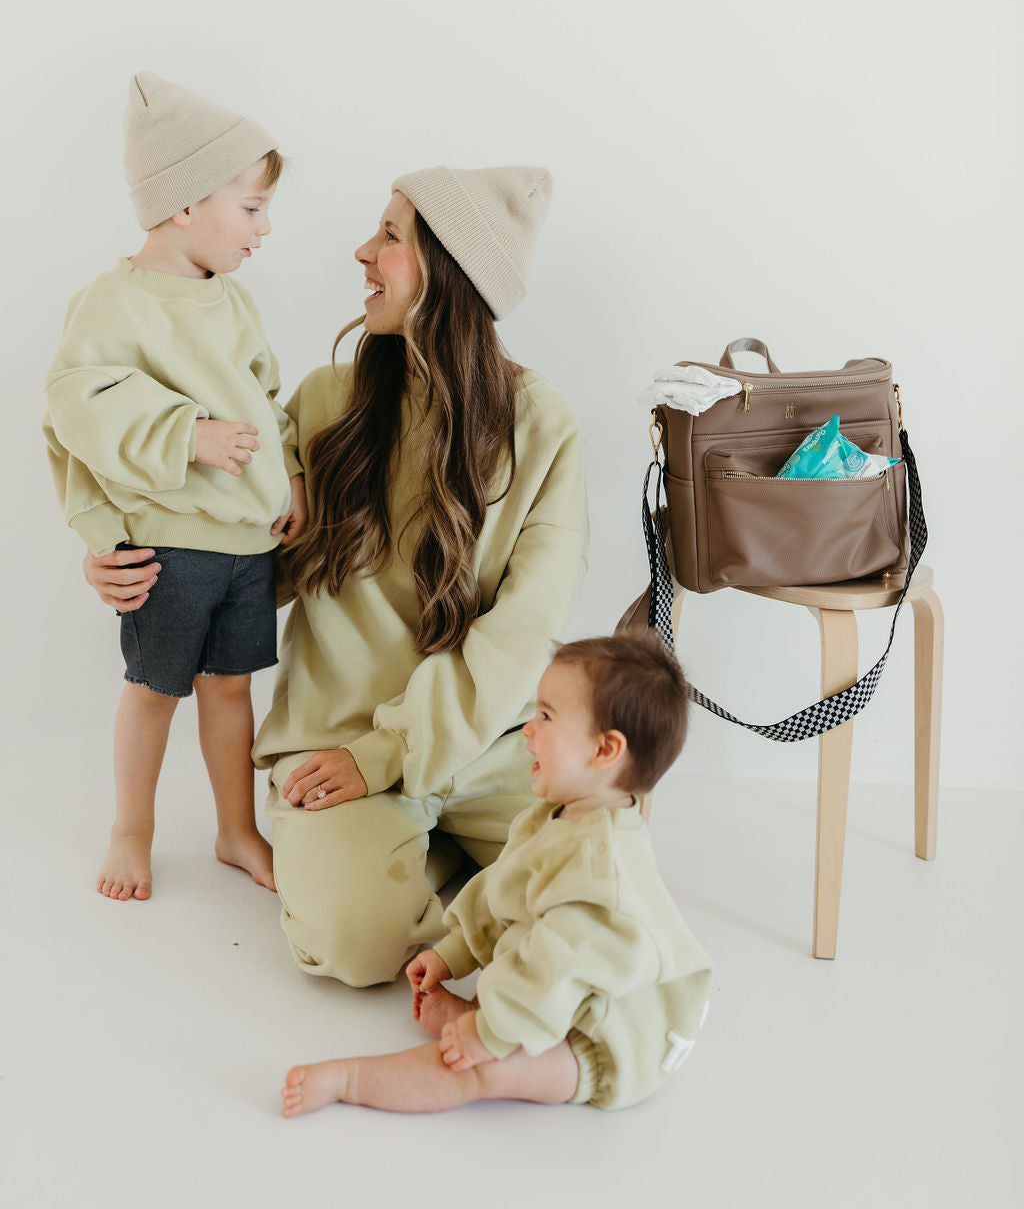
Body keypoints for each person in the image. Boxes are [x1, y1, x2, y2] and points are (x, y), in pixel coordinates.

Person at [84, 164, 588, 986]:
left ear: (452, 272)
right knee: (358, 949)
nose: (363, 252)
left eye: (390, 237)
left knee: (600, 878)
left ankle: (439, 867)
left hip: (492, 742)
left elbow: (524, 629)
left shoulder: (544, 426)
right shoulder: (324, 403)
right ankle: (439, 878)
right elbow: (244, 556)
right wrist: (126, 552)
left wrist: (402, 752)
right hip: (336, 748)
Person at [45, 72, 306, 903]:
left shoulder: (233, 304)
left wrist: (290, 472)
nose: (264, 227)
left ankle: (235, 829)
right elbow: (77, 405)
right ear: (187, 202)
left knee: (231, 690)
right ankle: (133, 829)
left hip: (245, 546)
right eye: (252, 207)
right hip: (170, 547)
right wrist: (184, 437)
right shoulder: (113, 304)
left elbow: (267, 399)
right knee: (155, 690)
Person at [280, 629, 713, 1117]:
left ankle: (349, 1080)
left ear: (604, 751)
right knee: (507, 1006)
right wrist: (453, 954)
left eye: (546, 716)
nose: (528, 728)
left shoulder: (597, 873)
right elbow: (499, 889)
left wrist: (488, 1035)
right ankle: (497, 1019)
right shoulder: (557, 811)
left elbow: (550, 969)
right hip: (571, 989)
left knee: (474, 1068)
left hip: (607, 1036)